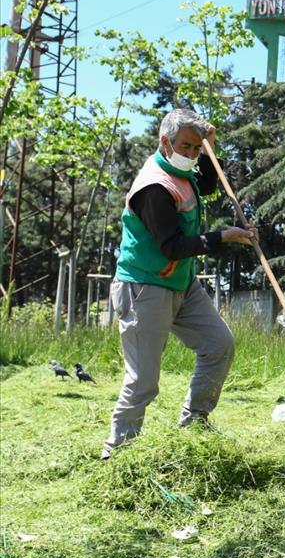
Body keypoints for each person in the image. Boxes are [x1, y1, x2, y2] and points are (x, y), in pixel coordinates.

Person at [101, 108, 256, 459]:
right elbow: (170, 246)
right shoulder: (154, 186)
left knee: (219, 345)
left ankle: (194, 424)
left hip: (181, 282)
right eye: (185, 146)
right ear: (164, 141)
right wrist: (224, 236)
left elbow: (206, 184)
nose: (190, 154)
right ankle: (118, 452)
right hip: (145, 286)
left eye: (196, 149)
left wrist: (211, 146)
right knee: (143, 381)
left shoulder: (180, 171)